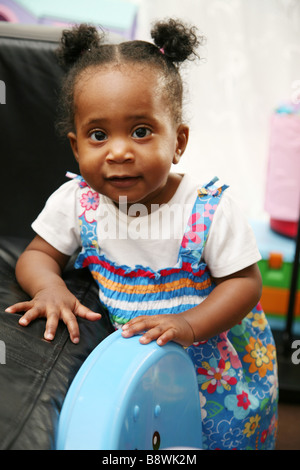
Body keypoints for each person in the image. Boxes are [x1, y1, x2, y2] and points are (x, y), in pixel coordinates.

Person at [6, 19, 278, 449]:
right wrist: (49, 288)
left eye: (140, 131)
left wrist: (188, 324)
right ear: (77, 148)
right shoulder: (78, 202)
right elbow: (37, 255)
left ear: (178, 141)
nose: (118, 150)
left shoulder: (208, 209)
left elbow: (244, 284)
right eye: (99, 135)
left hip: (208, 361)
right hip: (132, 364)